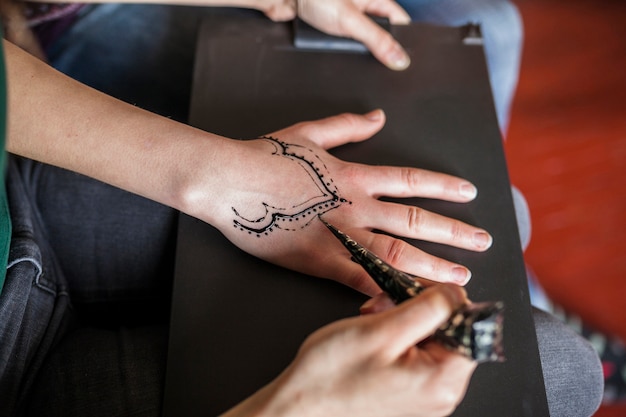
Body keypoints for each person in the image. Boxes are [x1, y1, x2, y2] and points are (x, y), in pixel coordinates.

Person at [0, 2, 604, 416]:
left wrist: (215, 173)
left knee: (503, 215)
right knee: (564, 369)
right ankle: (529, 304)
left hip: (17, 193)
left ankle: (524, 300)